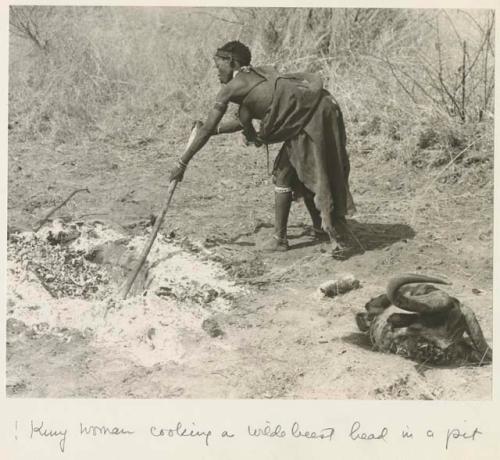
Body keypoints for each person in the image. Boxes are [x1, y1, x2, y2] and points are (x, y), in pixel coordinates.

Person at [169, 40, 356, 258]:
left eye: (218, 65)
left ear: (231, 61)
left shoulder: (231, 88)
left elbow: (211, 127)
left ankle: (313, 239)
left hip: (311, 117)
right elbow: (240, 121)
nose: (216, 71)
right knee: (293, 172)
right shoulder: (255, 77)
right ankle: (316, 229)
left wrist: (182, 163)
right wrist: (211, 130)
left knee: (303, 173)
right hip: (320, 108)